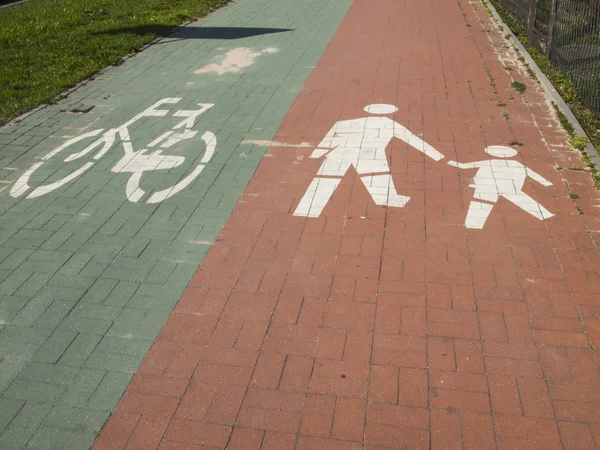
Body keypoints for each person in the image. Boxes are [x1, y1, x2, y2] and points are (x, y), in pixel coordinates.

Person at [293, 104, 445, 217]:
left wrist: (317, 154)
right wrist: (440, 158)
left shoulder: (346, 123)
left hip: (340, 153)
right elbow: (412, 139)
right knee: (378, 178)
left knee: (324, 181)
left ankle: (308, 208)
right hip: (371, 154)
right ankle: (389, 199)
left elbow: (331, 138)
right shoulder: (390, 124)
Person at [447, 145, 554, 228]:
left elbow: (464, 166)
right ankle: (545, 214)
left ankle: (473, 224)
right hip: (510, 188)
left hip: (487, 187)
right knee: (524, 201)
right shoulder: (517, 164)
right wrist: (546, 183)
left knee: (481, 204)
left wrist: (448, 161)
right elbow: (533, 174)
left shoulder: (491, 162)